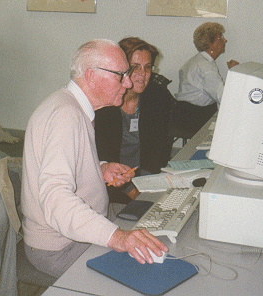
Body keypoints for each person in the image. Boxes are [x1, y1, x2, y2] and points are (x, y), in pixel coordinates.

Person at [21, 39, 168, 279]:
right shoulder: (66, 117)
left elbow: (63, 165)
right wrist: (118, 237)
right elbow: (56, 199)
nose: (129, 82)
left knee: (158, 224)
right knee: (146, 271)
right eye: (121, 75)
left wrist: (101, 168)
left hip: (88, 223)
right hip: (61, 246)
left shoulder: (74, 107)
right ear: (91, 76)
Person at [95, 37, 173, 207]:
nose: (142, 75)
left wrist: (146, 185)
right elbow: (102, 157)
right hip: (111, 185)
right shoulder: (105, 105)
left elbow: (157, 148)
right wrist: (130, 189)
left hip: (143, 180)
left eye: (147, 68)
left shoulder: (157, 97)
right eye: (134, 68)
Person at [173, 22, 239, 135]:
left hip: (184, 112)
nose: (224, 40)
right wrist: (236, 73)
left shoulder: (198, 60)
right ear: (210, 44)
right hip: (192, 116)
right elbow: (222, 96)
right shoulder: (205, 67)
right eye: (220, 38)